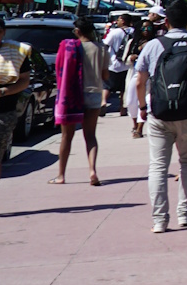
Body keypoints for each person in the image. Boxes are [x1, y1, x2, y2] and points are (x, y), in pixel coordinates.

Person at [132, 0, 187, 232]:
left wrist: (142, 107)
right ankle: (184, 214)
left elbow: (139, 81)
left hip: (159, 113)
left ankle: (160, 221)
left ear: (166, 21)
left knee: (158, 166)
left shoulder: (152, 45)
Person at [0, 13, 33, 218]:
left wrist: (2, 91)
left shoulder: (15, 53)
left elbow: (24, 81)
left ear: (3, 33)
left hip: (1, 114)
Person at [50, 16, 107, 186]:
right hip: (94, 94)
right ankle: (92, 171)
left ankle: (61, 175)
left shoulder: (69, 47)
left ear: (77, 31)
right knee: (90, 135)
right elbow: (105, 75)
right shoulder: (102, 48)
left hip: (72, 94)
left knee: (67, 136)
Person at [125, 23, 157, 138]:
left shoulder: (156, 43)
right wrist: (132, 57)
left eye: (149, 28)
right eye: (143, 27)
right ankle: (135, 124)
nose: (146, 30)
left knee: (145, 101)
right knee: (130, 101)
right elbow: (125, 58)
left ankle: (139, 128)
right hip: (135, 73)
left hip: (150, 75)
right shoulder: (133, 42)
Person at [103, 14, 131, 113]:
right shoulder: (134, 32)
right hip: (128, 64)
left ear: (123, 21)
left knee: (107, 86)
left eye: (118, 20)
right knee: (124, 87)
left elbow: (106, 45)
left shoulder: (114, 32)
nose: (117, 22)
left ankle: (103, 102)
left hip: (113, 63)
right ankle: (122, 108)